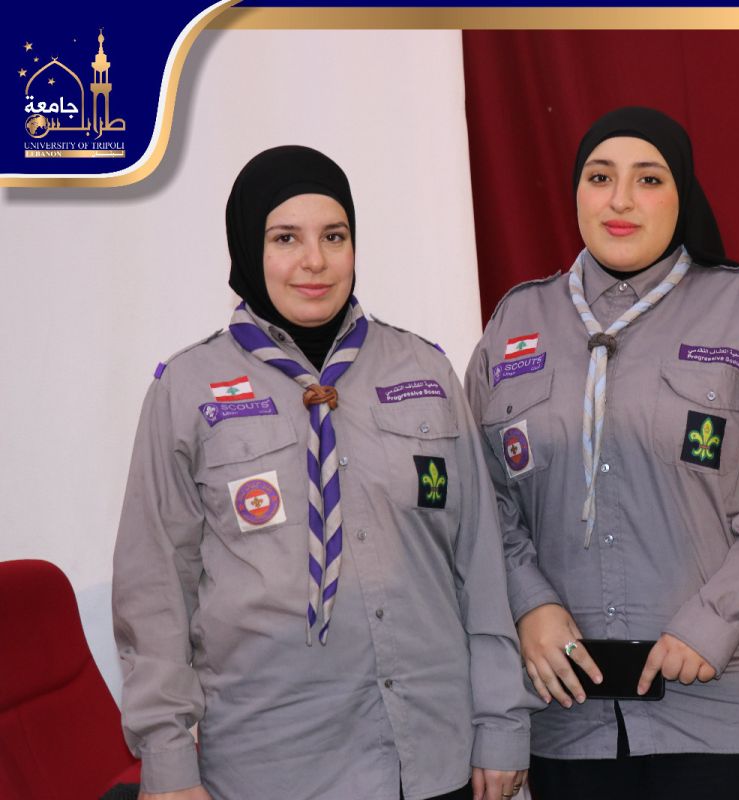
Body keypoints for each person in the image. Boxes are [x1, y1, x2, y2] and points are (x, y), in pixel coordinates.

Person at [112, 145, 534, 800]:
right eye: (286, 238)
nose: (315, 261)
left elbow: (478, 562)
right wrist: (167, 761)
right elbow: (155, 589)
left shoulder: (424, 370)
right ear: (248, 249)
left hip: (434, 755)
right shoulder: (186, 390)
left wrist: (502, 722)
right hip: (274, 766)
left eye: (334, 236)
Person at [464, 107, 739, 800]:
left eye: (649, 179)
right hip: (572, 717)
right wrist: (528, 603)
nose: (621, 200)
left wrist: (712, 622)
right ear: (576, 193)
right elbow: (481, 501)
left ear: (682, 194)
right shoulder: (516, 321)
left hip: (734, 712)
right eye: (600, 178)